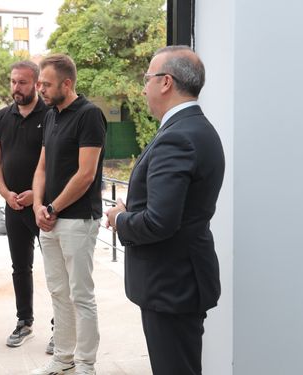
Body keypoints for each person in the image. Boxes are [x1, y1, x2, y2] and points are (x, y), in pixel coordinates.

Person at [106, 46, 225, 375]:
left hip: (172, 283)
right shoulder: (194, 129)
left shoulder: (179, 137)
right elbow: (178, 207)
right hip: (180, 279)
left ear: (166, 82)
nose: (143, 88)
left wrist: (120, 219)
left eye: (147, 78)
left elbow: (161, 221)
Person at [31, 54, 106, 375]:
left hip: (77, 219)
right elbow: (43, 167)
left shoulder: (90, 115)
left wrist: (52, 207)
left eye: (46, 84)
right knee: (59, 294)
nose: (41, 90)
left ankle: (85, 364)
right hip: (48, 219)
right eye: (39, 84)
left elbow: (86, 174)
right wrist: (37, 205)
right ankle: (62, 359)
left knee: (81, 295)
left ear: (67, 83)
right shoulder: (51, 116)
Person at [0, 60, 51, 348]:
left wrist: (34, 196)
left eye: (22, 82)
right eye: (13, 81)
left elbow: (55, 164)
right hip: (14, 206)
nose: (16, 87)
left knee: (55, 269)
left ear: (37, 84)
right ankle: (24, 321)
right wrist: (5, 193)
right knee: (20, 268)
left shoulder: (51, 114)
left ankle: (59, 328)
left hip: (43, 208)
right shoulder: (2, 116)